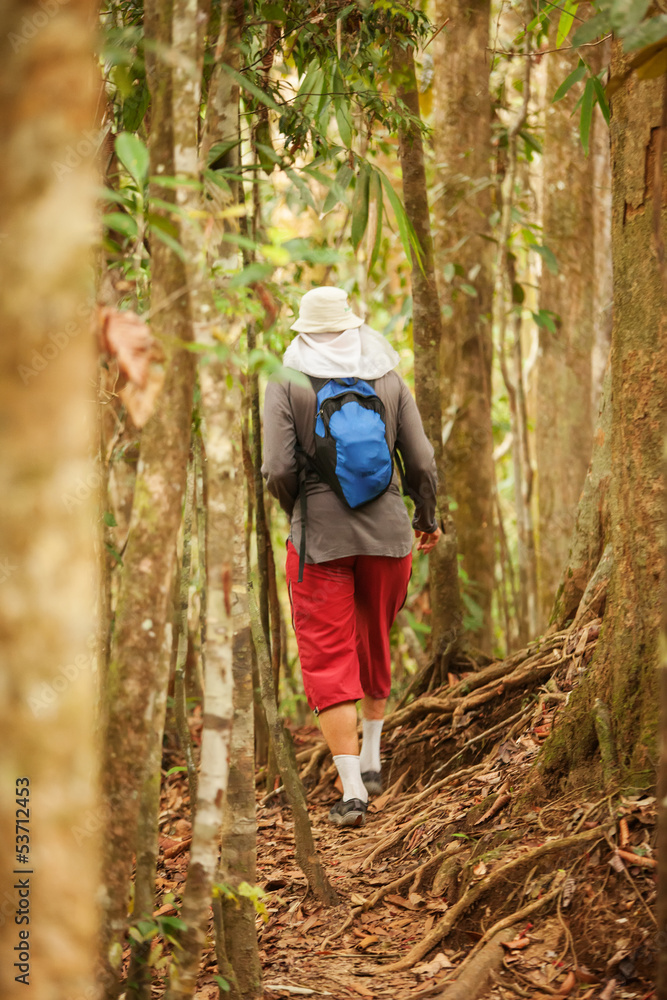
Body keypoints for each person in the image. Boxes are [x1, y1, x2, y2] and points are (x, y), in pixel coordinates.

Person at [261, 286, 441, 828]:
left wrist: (304, 511)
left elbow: (276, 468)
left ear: (302, 330)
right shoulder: (387, 375)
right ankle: (373, 760)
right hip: (389, 536)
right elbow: (422, 460)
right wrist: (426, 516)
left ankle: (352, 792)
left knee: (327, 654)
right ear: (352, 324)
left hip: (321, 540)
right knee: (373, 638)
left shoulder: (286, 380)